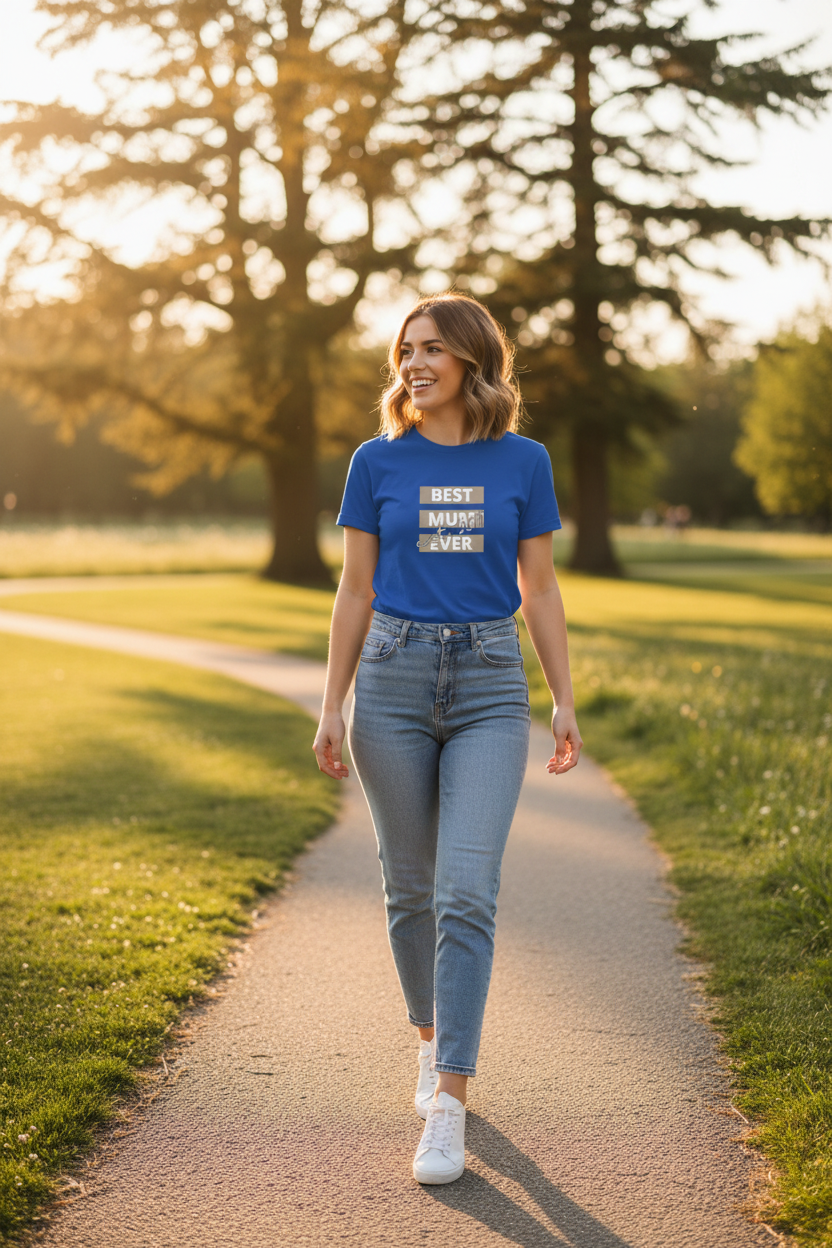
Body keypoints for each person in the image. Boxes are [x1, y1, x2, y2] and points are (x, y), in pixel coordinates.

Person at [312, 292, 582, 1185]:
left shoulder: (524, 462)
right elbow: (354, 589)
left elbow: (538, 588)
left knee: (468, 889)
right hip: (389, 680)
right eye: (405, 350)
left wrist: (563, 698)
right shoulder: (374, 462)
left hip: (488, 686)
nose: (414, 363)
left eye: (432, 348)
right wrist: (329, 704)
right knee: (410, 888)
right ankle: (429, 1043)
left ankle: (452, 1105)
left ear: (473, 360)